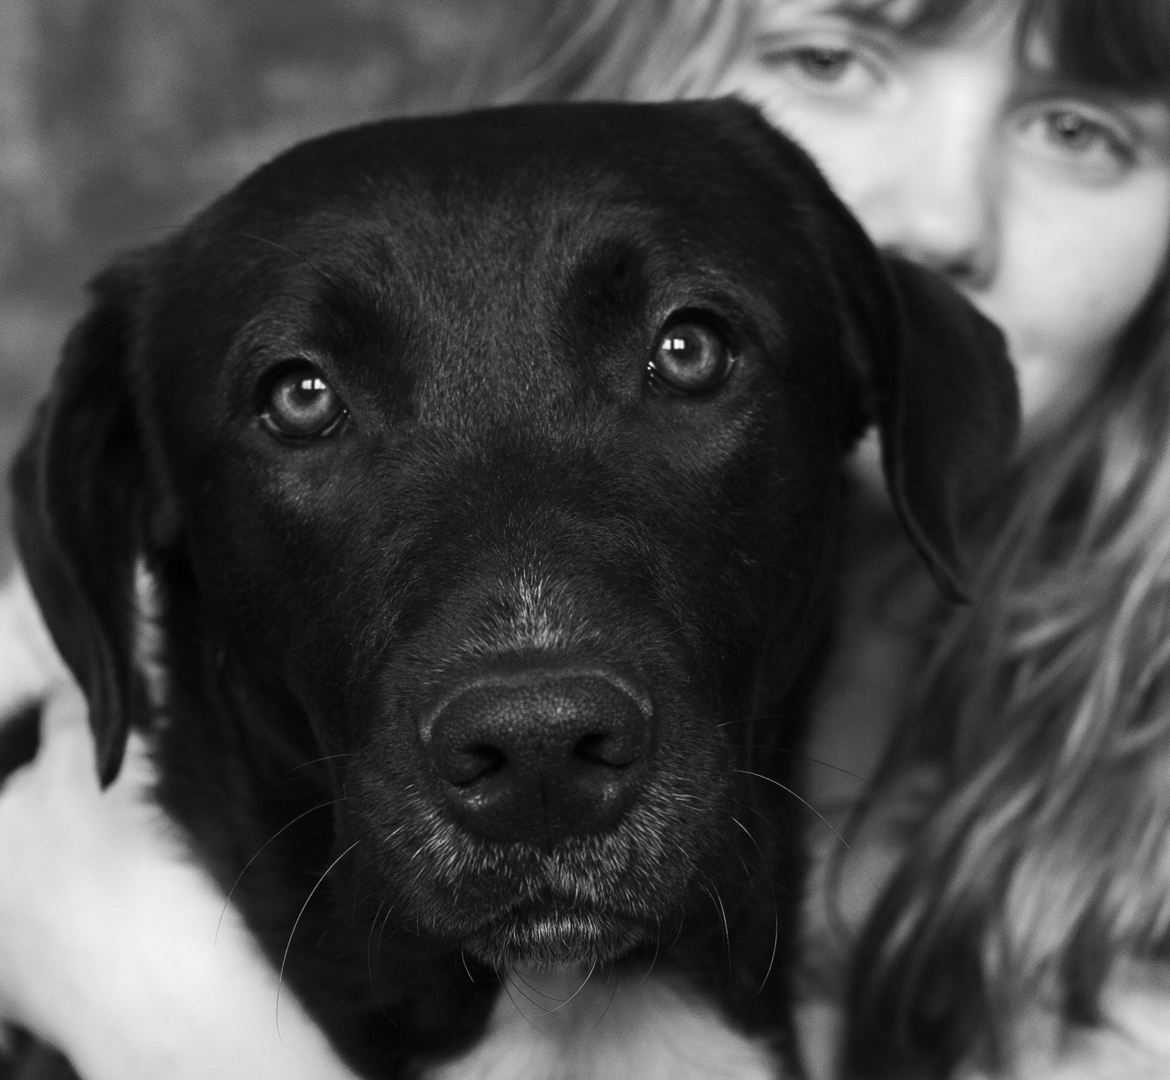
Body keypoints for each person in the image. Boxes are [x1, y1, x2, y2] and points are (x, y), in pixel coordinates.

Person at [2, 0, 1169, 1076]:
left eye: (685, 353)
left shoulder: (1107, 959)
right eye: (833, 57)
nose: (944, 217)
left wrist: (174, 1023)